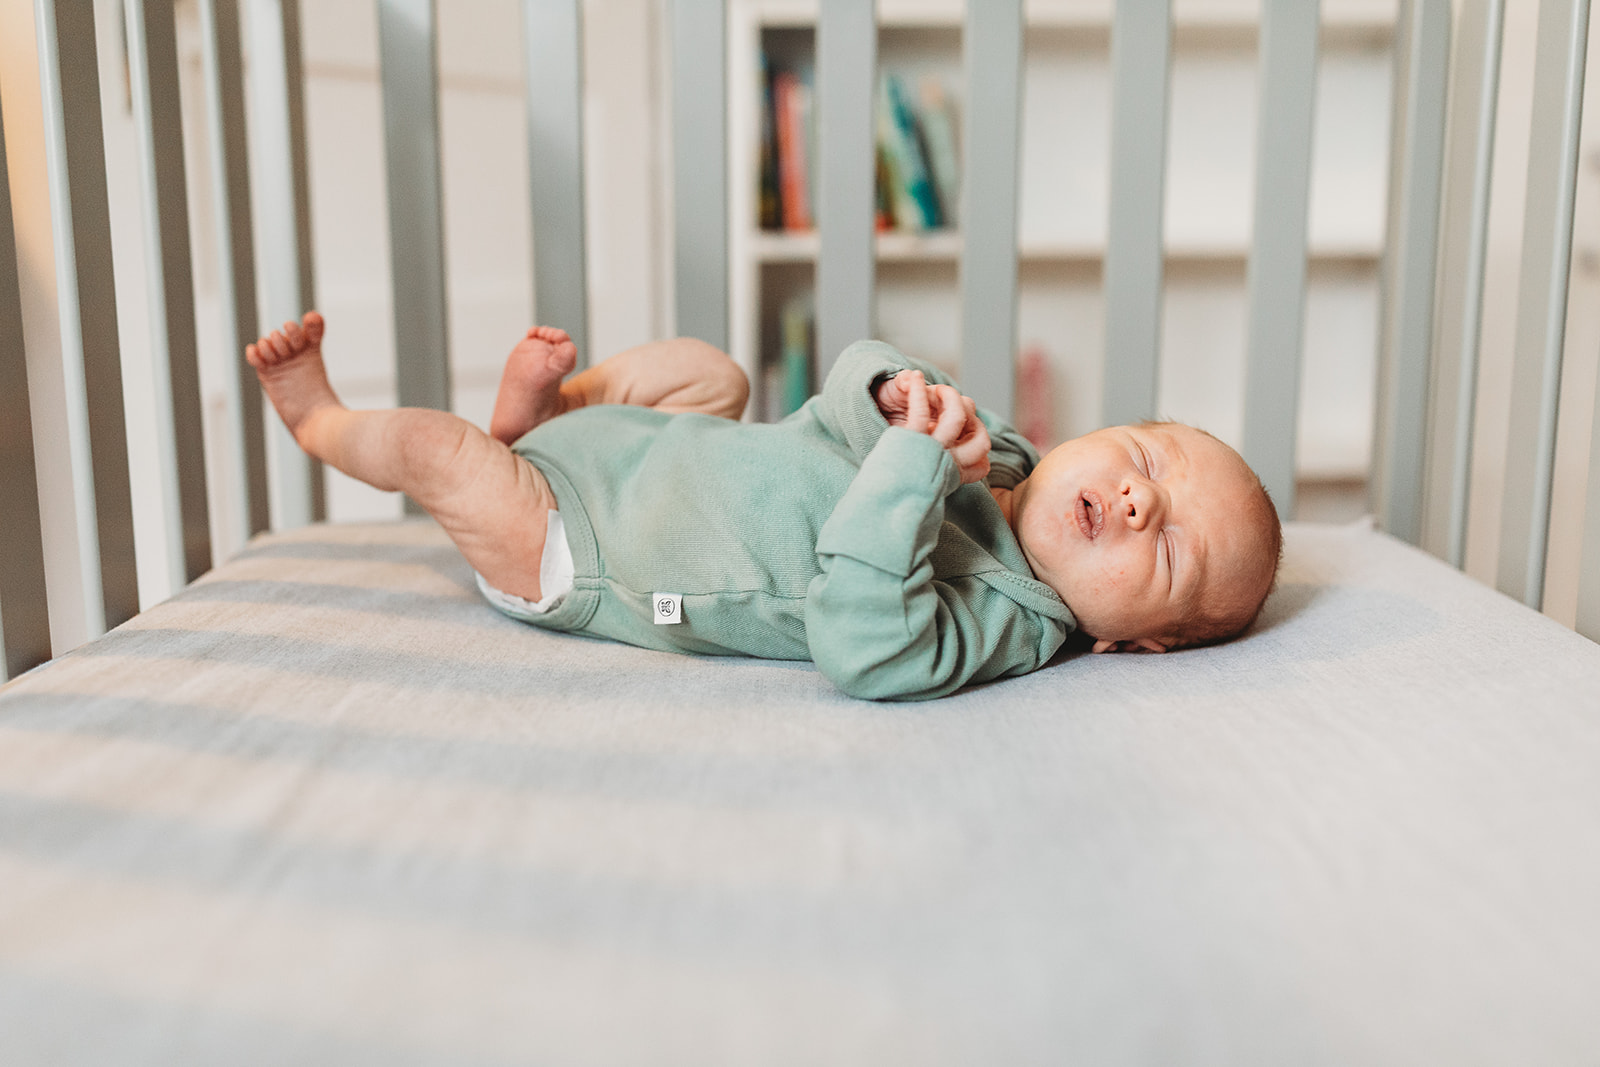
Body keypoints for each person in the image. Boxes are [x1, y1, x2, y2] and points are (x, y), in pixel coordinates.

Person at [247, 312, 1281, 700]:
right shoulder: (996, 449)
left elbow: (862, 641)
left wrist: (913, 466)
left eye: (1175, 546)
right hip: (650, 449)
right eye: (1145, 457)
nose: (1143, 499)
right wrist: (889, 393)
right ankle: (551, 415)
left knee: (439, 450)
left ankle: (324, 421)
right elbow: (842, 396)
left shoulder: (1012, 618)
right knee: (707, 370)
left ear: (1134, 644)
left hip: (583, 546)